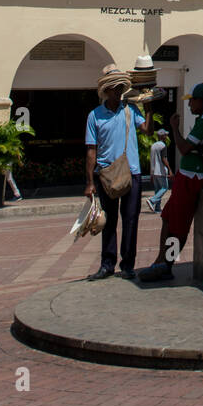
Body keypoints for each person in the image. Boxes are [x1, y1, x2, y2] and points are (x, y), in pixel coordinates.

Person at [138, 83, 203, 281]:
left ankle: (166, 263)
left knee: (179, 225)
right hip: (187, 177)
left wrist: (175, 129)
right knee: (168, 217)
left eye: (192, 101)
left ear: (201, 101)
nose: (189, 105)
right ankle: (161, 259)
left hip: (194, 178)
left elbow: (184, 148)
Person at [84, 64, 154, 281]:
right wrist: (90, 182)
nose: (116, 91)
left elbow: (147, 131)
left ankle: (128, 264)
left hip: (131, 172)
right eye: (113, 88)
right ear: (105, 91)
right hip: (106, 174)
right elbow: (90, 150)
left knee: (131, 219)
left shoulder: (130, 111)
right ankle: (107, 264)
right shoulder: (95, 116)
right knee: (109, 221)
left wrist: (149, 107)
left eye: (119, 87)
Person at [146, 127, 172, 214]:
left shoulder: (153, 146)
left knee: (158, 190)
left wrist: (151, 174)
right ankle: (152, 201)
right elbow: (164, 159)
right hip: (161, 171)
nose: (166, 136)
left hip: (155, 172)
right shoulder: (163, 146)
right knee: (165, 187)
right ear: (162, 136)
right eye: (165, 135)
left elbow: (152, 160)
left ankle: (157, 208)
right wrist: (170, 170)